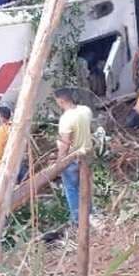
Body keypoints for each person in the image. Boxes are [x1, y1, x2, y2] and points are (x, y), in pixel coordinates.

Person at [54, 88, 94, 227]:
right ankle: (90, 213)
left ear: (61, 100)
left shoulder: (66, 118)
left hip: (73, 158)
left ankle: (78, 219)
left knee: (71, 188)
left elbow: (65, 144)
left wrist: (59, 163)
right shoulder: (85, 110)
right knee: (85, 186)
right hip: (87, 154)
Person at [0, 105, 29, 184]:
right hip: (19, 155)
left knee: (11, 181)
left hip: (8, 159)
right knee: (24, 178)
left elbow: (0, 149)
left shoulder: (1, 131)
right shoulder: (15, 126)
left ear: (2, 117)